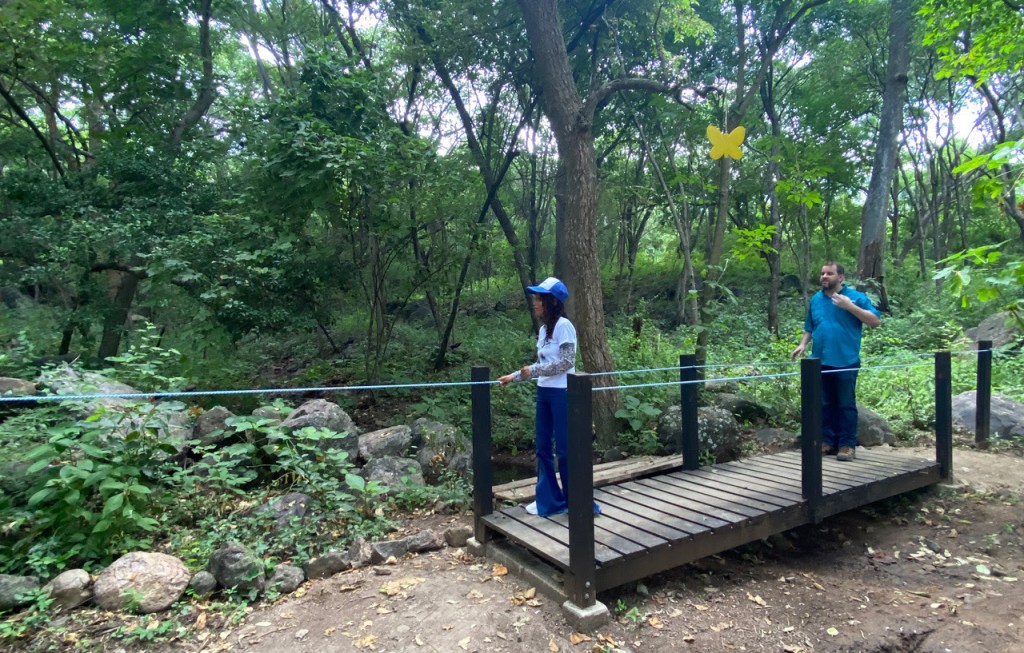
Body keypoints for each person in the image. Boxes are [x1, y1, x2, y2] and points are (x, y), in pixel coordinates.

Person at [498, 277, 578, 517]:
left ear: (552, 302)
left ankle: (574, 500)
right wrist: (513, 376)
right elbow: (540, 363)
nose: (535, 303)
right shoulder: (544, 330)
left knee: (564, 449)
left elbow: (566, 362)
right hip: (544, 392)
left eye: (539, 299)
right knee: (543, 448)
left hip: (562, 392)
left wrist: (532, 371)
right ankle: (548, 500)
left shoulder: (565, 326)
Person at [790, 262, 881, 461]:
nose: (824, 276)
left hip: (846, 360)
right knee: (823, 404)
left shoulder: (856, 297)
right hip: (819, 361)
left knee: (845, 404)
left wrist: (849, 306)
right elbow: (810, 326)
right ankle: (827, 441)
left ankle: (847, 445)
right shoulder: (816, 299)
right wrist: (802, 344)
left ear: (840, 277)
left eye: (829, 273)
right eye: (822, 273)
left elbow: (875, 321)